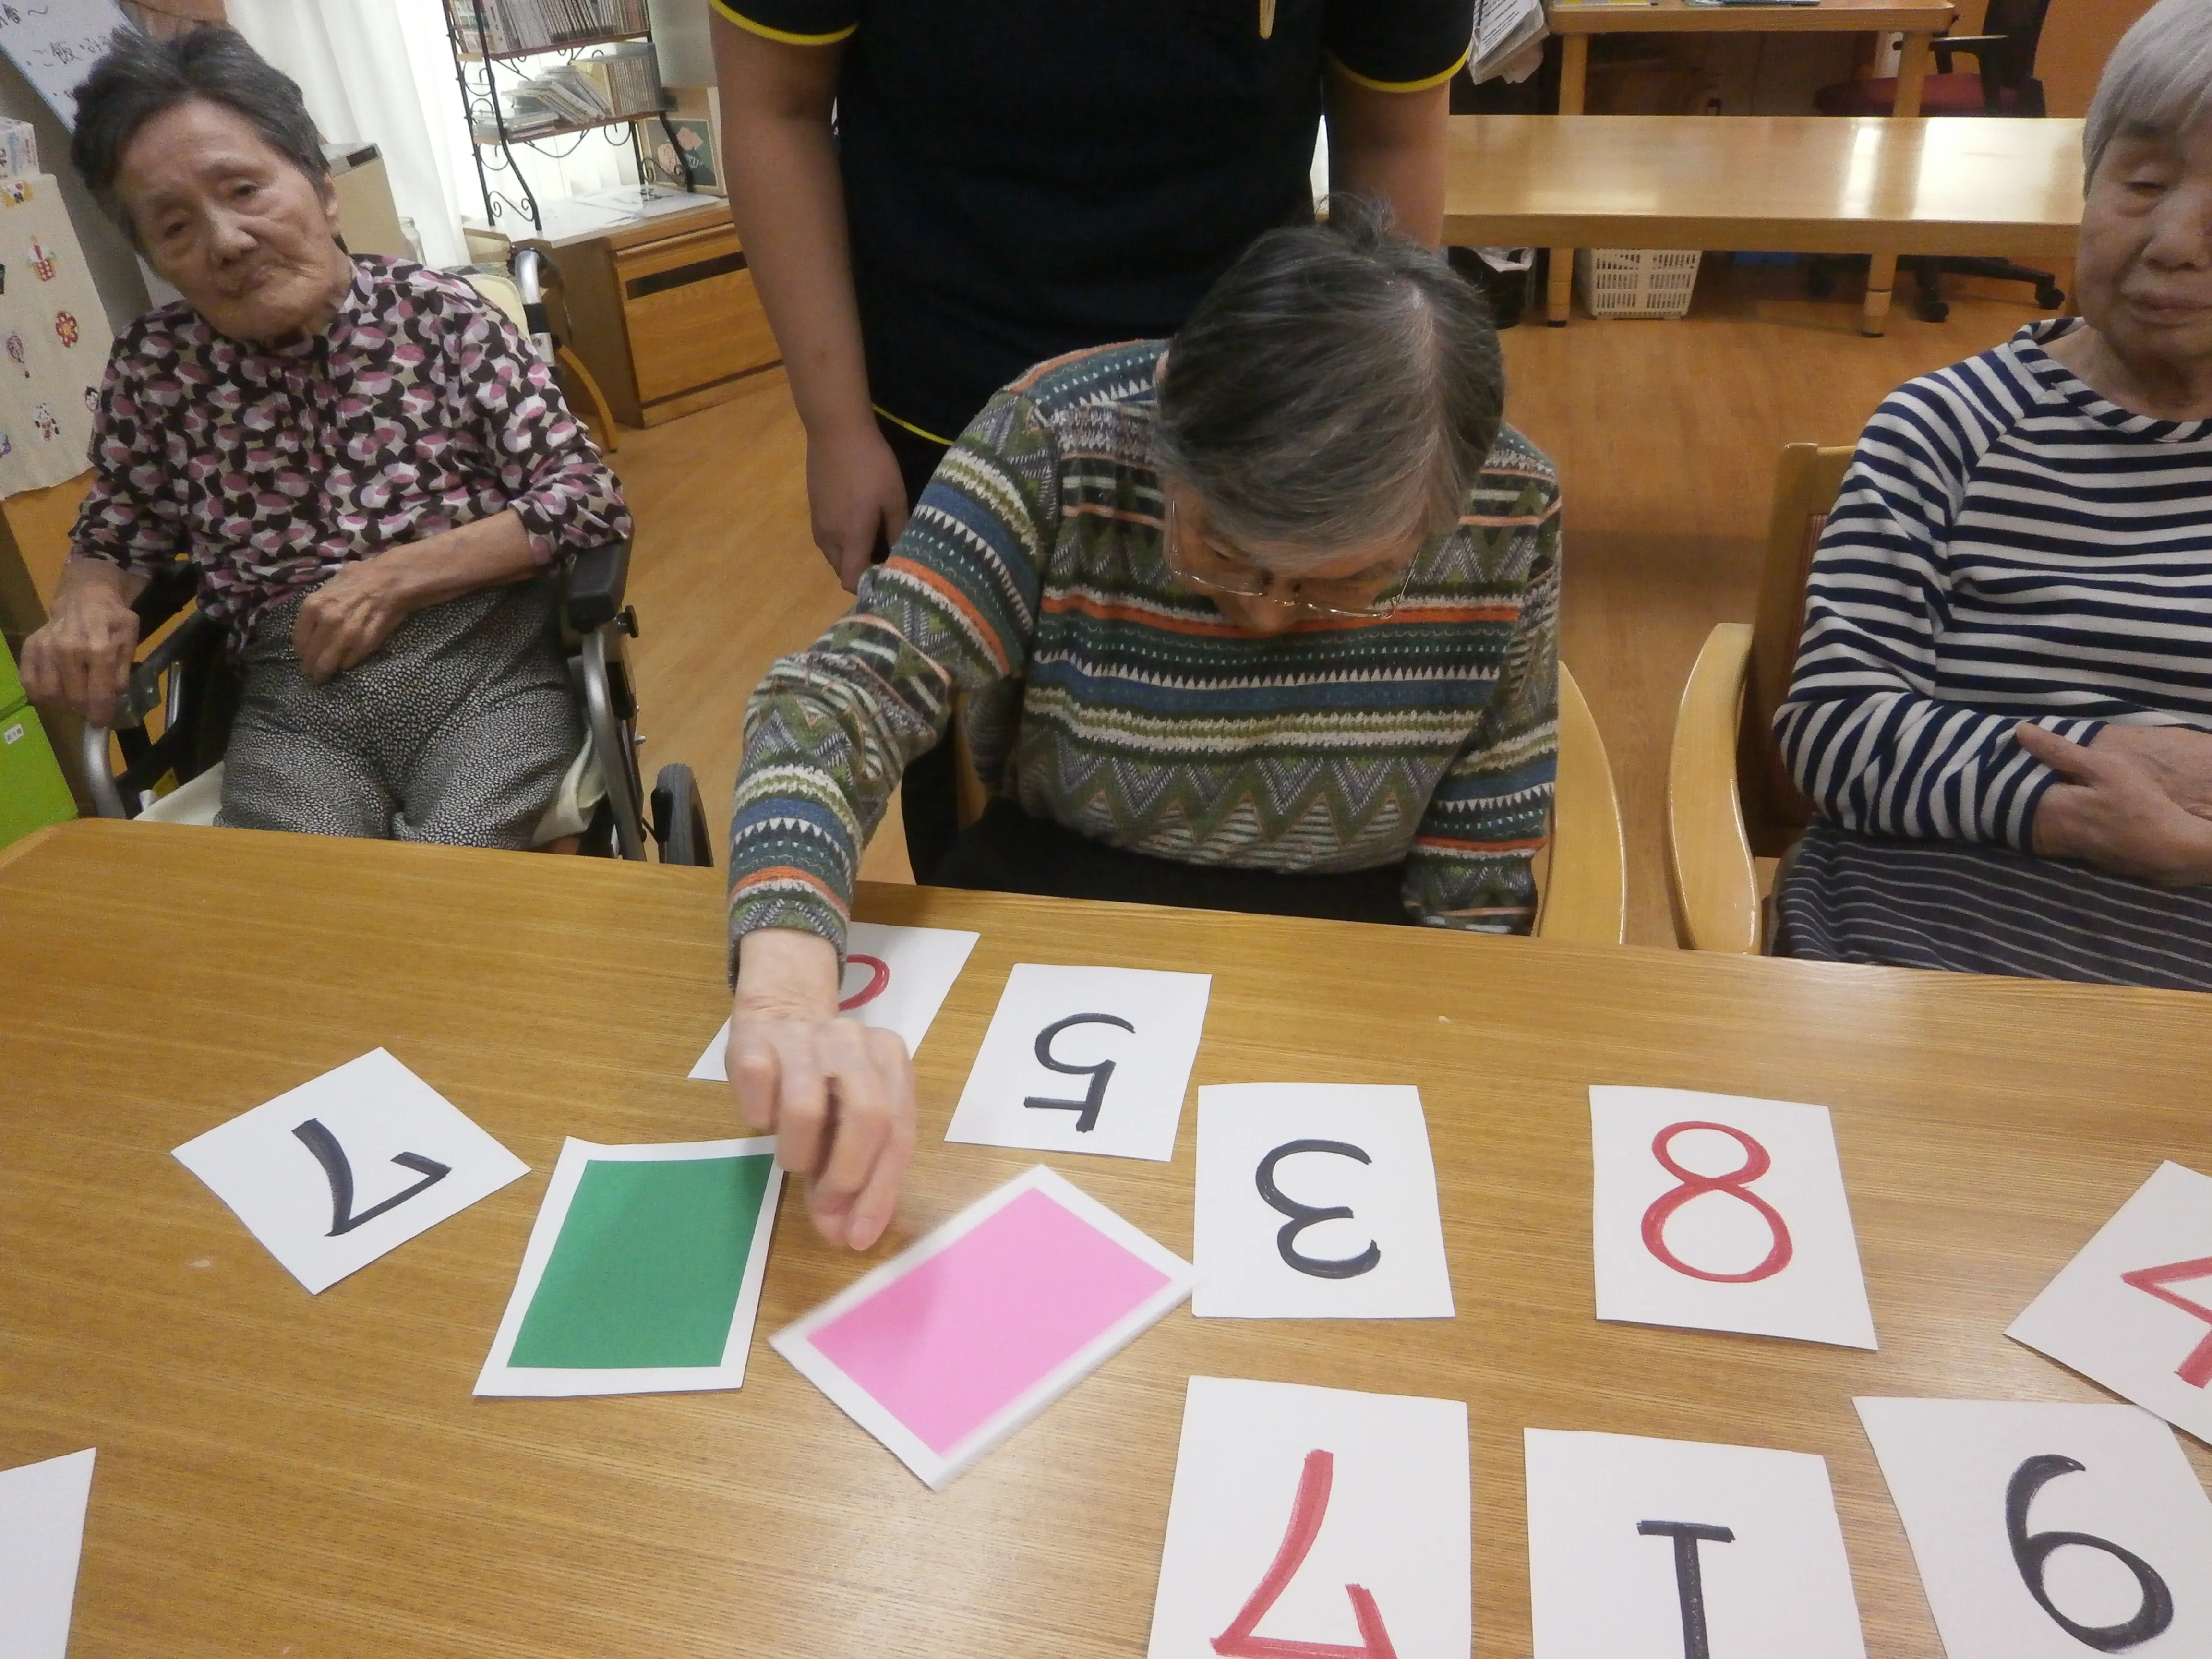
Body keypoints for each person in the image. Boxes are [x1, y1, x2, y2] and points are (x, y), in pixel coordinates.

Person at [721, 203, 1560, 1250]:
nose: (1262, 614)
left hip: (1351, 943)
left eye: (1344, 587)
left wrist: (1455, 1055)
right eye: (1220, 551)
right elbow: (837, 703)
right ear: (1167, 422)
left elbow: (1485, 842)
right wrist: (791, 996)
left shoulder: (1508, 502)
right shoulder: (1060, 433)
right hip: (1062, 899)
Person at [711, 0, 1474, 876]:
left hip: (1252, 415)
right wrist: (836, 424)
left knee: (1264, 791)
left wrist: (1370, 416)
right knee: (965, 798)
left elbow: (1394, 134)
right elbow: (778, 107)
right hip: (950, 401)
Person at [19, 27, 629, 848]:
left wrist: (395, 578)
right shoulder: (156, 367)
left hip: (484, 673)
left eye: (244, 190)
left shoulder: (438, 315)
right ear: (156, 258)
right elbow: (117, 531)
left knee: (461, 864)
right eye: (175, 228)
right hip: (296, 706)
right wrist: (84, 606)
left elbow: (584, 498)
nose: (227, 242)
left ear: (320, 188)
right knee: (304, 888)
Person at [1773, 0, 2212, 991]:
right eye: (2142, 183)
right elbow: (1836, 725)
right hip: (1916, 965)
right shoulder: (1948, 428)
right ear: (2088, 183)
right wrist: (2090, 790)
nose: (2177, 242)